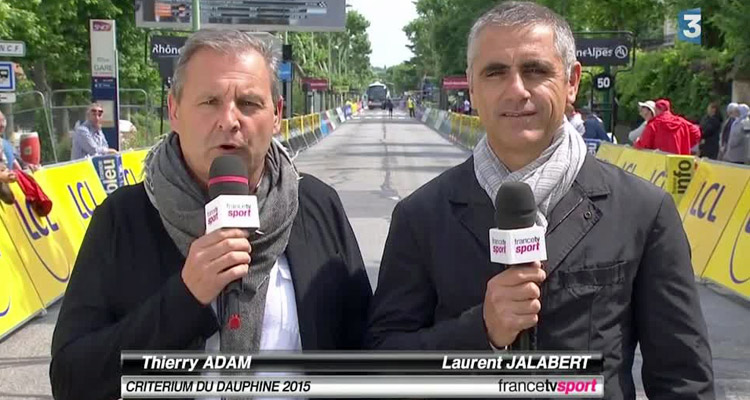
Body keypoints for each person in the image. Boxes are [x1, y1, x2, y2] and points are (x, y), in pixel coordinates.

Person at [366, 2, 713, 399]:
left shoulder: (643, 210)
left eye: (536, 71)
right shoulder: (421, 216)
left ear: (571, 82)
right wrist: (481, 331)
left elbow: (684, 380)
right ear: (473, 88)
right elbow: (383, 362)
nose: (517, 90)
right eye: (495, 72)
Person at [50, 30, 372, 400]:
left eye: (249, 103)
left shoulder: (316, 206)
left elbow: (363, 353)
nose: (230, 120)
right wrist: (185, 298)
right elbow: (72, 379)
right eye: (210, 102)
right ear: (174, 111)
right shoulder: (122, 219)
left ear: (277, 115)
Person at [635, 98, 701, 155]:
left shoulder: (653, 125)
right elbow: (696, 132)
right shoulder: (681, 122)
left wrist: (637, 142)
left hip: (660, 161)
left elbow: (644, 144)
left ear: (657, 109)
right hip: (680, 162)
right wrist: (685, 145)